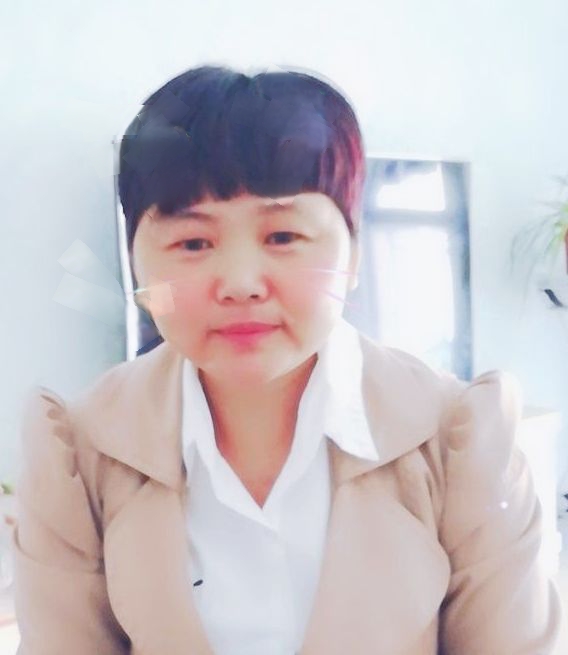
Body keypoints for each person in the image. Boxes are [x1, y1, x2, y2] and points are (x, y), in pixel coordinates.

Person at [11, 64, 562, 655]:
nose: (241, 283)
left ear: (352, 255)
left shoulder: (459, 438)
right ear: (137, 267)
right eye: (192, 242)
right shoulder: (82, 449)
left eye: (283, 237)